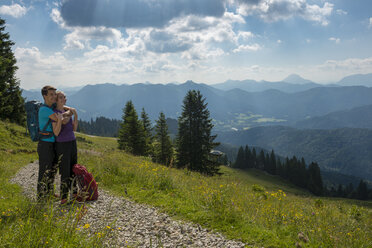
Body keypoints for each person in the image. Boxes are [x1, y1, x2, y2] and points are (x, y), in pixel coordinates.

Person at [52, 91, 79, 204]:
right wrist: (69, 113)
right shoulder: (54, 113)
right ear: (56, 100)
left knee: (74, 168)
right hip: (62, 144)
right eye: (62, 97)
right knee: (65, 170)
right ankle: (63, 197)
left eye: (65, 97)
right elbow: (57, 129)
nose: (65, 99)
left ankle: (74, 194)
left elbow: (74, 129)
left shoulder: (65, 111)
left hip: (72, 142)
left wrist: (75, 115)